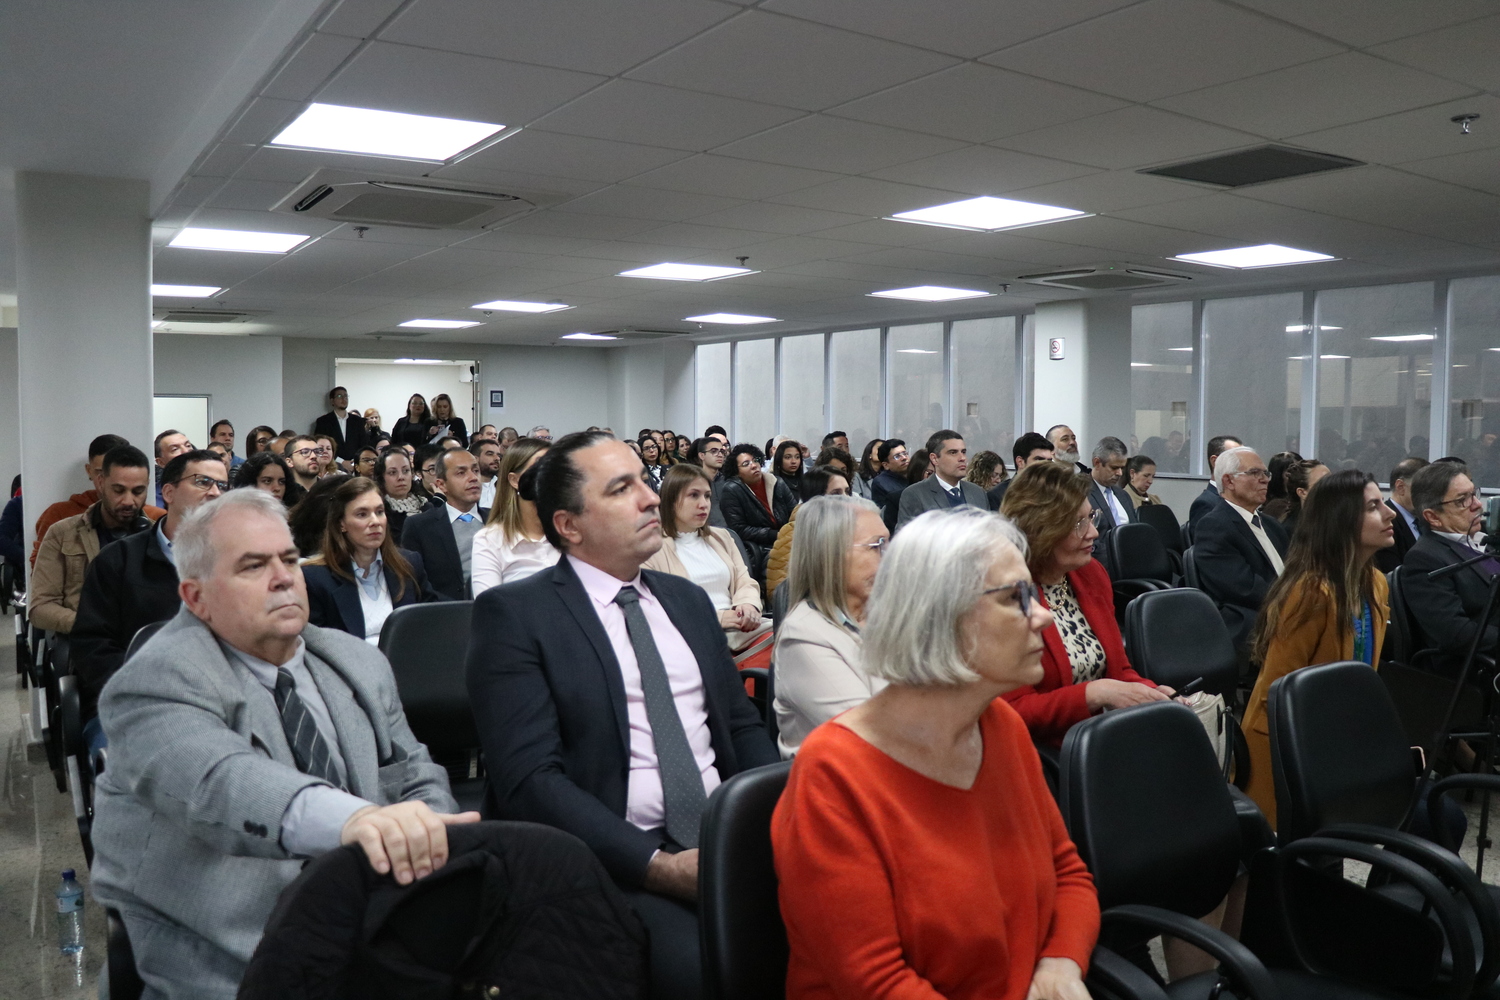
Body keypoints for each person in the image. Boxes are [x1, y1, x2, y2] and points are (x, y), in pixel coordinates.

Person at [89, 488, 473, 998]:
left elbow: (413, 770)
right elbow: (221, 780)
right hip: (233, 958)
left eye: (289, 559)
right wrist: (356, 820)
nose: (283, 578)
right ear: (196, 597)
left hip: (378, 931)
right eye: (253, 566)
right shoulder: (155, 679)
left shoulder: (354, 661)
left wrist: (429, 836)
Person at [466, 431, 778, 1000]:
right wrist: (658, 866)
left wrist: (770, 823)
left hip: (721, 841)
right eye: (622, 488)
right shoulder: (514, 615)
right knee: (709, 973)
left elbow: (739, 727)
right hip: (610, 859)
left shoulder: (683, 601)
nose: (649, 498)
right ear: (569, 525)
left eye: (644, 481)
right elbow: (530, 782)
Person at [772, 506, 1100, 1000]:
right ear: (941, 615)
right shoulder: (834, 774)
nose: (1044, 615)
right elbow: (875, 983)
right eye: (1017, 598)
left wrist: (1059, 966)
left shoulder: (1001, 727)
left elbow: (1069, 874)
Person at [1242, 470, 1394, 824]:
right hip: (1288, 745)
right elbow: (1276, 692)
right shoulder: (1310, 592)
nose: (1389, 514)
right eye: (1374, 506)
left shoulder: (1375, 582)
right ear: (1342, 522)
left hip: (1338, 736)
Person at [1000, 462, 1168, 745]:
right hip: (1046, 756)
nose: (1093, 533)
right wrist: (1093, 694)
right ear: (1041, 530)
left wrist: (1155, 695)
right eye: (1078, 524)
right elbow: (1011, 712)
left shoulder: (1090, 575)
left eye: (1091, 518)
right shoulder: (1004, 596)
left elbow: (1120, 672)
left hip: (1103, 739)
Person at [71, 449, 229, 749]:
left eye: (222, 485)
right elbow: (92, 645)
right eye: (203, 482)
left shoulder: (237, 561)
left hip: (223, 703)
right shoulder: (117, 561)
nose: (215, 493)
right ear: (168, 492)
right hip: (134, 702)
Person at [772, 494, 887, 757]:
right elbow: (871, 739)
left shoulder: (889, 613)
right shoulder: (803, 636)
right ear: (832, 555)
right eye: (876, 546)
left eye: (888, 542)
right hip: (846, 786)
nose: (888, 556)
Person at [29, 445, 154, 634]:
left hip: (145, 642)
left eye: (138, 491)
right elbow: (41, 607)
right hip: (87, 639)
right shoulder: (62, 533)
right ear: (101, 483)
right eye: (119, 490)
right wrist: (91, 625)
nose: (129, 501)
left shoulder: (159, 535)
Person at [644, 464, 766, 653]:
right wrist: (718, 618)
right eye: (694, 495)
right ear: (670, 499)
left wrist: (747, 605)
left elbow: (744, 581)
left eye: (707, 496)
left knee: (792, 633)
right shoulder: (652, 547)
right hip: (695, 636)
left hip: (739, 626)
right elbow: (661, 608)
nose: (704, 504)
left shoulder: (722, 537)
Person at [302, 477, 435, 644]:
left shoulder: (409, 564)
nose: (375, 522)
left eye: (379, 512)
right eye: (362, 514)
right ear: (341, 524)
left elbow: (433, 621)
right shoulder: (316, 578)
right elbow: (317, 648)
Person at [1402, 461, 1500, 669]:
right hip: (1475, 671)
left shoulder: (1483, 542)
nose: (1477, 504)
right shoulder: (1424, 559)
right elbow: (1457, 634)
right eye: (1461, 500)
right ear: (1433, 517)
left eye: (1474, 494)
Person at [1193, 446, 1290, 650]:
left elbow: (1294, 570)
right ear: (1229, 481)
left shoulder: (1271, 524)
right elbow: (1244, 589)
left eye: (1266, 473)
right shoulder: (1214, 525)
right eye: (1255, 473)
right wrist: (1295, 603)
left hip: (1285, 609)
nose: (1265, 479)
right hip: (1253, 619)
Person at [30, 433, 165, 566]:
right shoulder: (59, 515)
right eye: (101, 472)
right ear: (90, 471)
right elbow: (42, 571)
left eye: (137, 490)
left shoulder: (157, 518)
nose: (127, 500)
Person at [399, 449, 488, 600]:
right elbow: (415, 584)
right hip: (444, 614)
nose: (473, 478)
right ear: (442, 485)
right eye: (461, 473)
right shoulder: (419, 526)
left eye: (476, 470)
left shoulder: (500, 520)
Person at [472, 438, 558, 593]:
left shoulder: (570, 534)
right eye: (541, 466)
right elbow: (488, 609)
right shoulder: (490, 540)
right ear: (515, 480)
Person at [766, 466, 854, 598]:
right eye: (836, 493)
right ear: (815, 498)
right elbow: (779, 591)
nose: (846, 498)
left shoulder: (857, 527)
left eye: (847, 492)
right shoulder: (794, 531)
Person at [720, 443, 795, 581]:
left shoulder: (776, 482)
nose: (754, 465)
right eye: (746, 464)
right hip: (760, 548)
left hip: (787, 541)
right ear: (736, 472)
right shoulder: (731, 490)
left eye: (755, 460)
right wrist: (774, 535)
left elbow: (795, 513)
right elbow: (740, 529)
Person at [896, 431, 986, 530]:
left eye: (963, 452)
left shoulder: (978, 493)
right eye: (953, 453)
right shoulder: (915, 494)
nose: (962, 458)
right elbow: (906, 539)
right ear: (934, 459)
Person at [1376, 456, 1429, 573]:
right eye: (1424, 490)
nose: (1430, 498)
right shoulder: (1385, 525)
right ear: (1400, 487)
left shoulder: (1425, 521)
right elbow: (1393, 575)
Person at [1188, 435, 1244, 528]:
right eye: (1235, 459)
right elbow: (1204, 540)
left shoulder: (1243, 499)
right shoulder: (1205, 503)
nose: (1242, 464)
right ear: (1215, 461)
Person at [1086, 436, 1137, 536]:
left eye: (1122, 468)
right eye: (1114, 468)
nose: (1120, 473)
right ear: (1097, 463)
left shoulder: (1123, 495)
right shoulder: (1081, 492)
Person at [989, 432, 1054, 511]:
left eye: (1049, 461)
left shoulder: (1056, 492)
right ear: (1020, 462)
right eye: (1039, 460)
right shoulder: (998, 495)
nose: (1046, 465)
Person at [376, 448, 423, 544]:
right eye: (392, 472)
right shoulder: (380, 513)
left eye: (406, 471)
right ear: (381, 478)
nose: (401, 477)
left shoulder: (426, 506)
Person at [1274, 459, 1329, 534]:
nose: (1331, 486)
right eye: (1322, 483)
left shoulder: (1337, 520)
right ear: (1302, 492)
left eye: (1331, 480)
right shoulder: (1289, 530)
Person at [314, 386, 367, 461]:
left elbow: (363, 444)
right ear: (332, 401)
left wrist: (354, 461)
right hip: (332, 463)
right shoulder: (323, 421)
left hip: (355, 463)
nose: (344, 399)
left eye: (346, 396)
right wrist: (341, 461)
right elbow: (320, 445)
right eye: (339, 396)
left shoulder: (357, 421)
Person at [691, 437, 730, 528]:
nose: (719, 455)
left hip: (729, 533)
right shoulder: (693, 482)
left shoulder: (728, 481)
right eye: (713, 451)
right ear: (702, 456)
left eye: (722, 451)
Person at [153, 429, 194, 507]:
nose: (186, 451)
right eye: (175, 449)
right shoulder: (154, 498)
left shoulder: (211, 485)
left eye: (188, 445)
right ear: (161, 462)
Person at [869, 439, 908, 508]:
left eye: (905, 453)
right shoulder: (881, 482)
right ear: (886, 465)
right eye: (897, 456)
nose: (904, 458)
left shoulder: (916, 474)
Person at [284, 435, 322, 499]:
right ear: (289, 462)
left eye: (317, 451)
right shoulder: (284, 493)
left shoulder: (331, 490)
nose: (314, 456)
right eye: (305, 452)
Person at [475, 438, 502, 509]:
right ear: (475, 459)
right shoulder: (466, 486)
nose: (497, 458)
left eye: (499, 455)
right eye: (490, 454)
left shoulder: (505, 485)